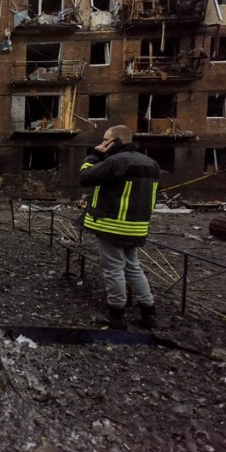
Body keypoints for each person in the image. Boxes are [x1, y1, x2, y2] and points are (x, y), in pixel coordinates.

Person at [78, 124, 161, 329]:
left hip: (112, 225)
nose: (102, 143)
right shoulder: (151, 163)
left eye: (105, 140)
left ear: (117, 141)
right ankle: (148, 312)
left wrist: (93, 156)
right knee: (133, 266)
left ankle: (117, 316)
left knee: (113, 269)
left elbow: (85, 178)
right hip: (137, 227)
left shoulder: (116, 161)